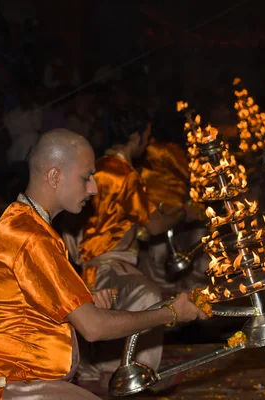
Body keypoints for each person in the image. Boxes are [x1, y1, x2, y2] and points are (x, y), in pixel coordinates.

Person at [0, 129, 207, 400]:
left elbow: (26, 311)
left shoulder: (21, 223)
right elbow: (93, 328)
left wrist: (83, 304)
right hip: (18, 389)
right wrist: (170, 312)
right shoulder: (31, 235)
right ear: (55, 176)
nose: (93, 188)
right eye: (86, 177)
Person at [72, 108, 198, 388]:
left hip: (93, 267)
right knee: (149, 296)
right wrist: (183, 213)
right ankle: (128, 375)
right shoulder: (123, 174)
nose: (149, 142)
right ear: (135, 137)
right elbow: (153, 226)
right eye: (147, 136)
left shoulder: (99, 167)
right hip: (107, 266)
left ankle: (106, 369)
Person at [138, 136, 210, 294]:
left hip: (154, 214)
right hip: (171, 212)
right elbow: (190, 173)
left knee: (164, 265)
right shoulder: (164, 150)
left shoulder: (139, 154)